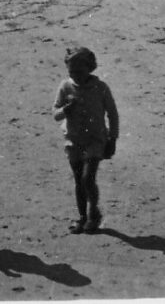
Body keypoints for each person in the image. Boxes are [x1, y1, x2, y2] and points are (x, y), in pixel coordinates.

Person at [52, 46, 119, 234]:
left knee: (88, 178)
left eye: (80, 72)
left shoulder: (101, 88)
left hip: (95, 140)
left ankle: (93, 213)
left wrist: (112, 139)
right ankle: (82, 217)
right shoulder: (65, 87)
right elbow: (55, 113)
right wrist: (65, 110)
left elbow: (112, 114)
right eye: (72, 72)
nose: (76, 76)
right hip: (73, 141)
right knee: (78, 181)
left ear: (90, 68)